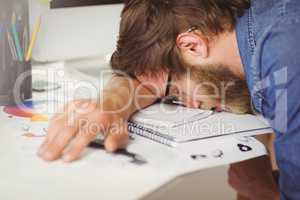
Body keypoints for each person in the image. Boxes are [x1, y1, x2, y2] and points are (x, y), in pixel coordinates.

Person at [38, 0, 300, 199]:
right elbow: (143, 80)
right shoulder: (256, 21)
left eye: (176, 92)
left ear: (192, 45)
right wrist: (109, 105)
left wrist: (263, 192)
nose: (190, 105)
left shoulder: (284, 54)